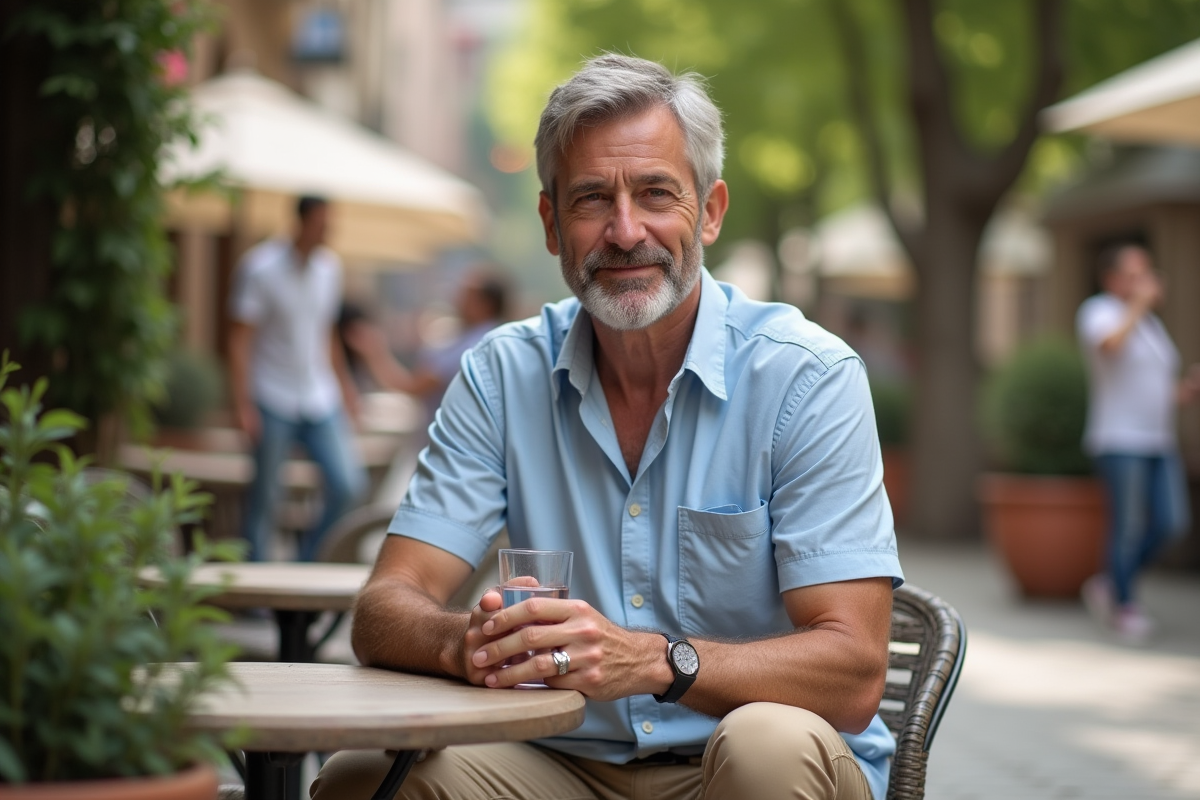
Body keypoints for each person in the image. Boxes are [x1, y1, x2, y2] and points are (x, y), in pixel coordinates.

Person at [312, 54, 901, 800]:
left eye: (656, 193)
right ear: (551, 224)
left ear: (710, 211)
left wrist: (653, 661)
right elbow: (383, 607)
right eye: (592, 199)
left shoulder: (806, 378)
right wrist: (466, 643)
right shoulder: (502, 374)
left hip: (741, 760)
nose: (625, 231)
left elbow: (854, 671)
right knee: (363, 780)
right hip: (557, 761)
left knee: (765, 745)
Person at [227, 195, 367, 562]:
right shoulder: (260, 267)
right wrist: (242, 404)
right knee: (266, 498)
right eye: (321, 224)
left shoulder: (329, 269)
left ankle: (306, 563)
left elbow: (327, 335)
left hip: (319, 395)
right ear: (301, 222)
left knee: (349, 485)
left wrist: (347, 388)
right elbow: (239, 339)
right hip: (271, 394)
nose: (327, 232)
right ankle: (256, 579)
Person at [1077, 244, 1199, 642]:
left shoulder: (1150, 326)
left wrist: (1185, 391)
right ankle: (1124, 604)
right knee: (1127, 526)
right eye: (1134, 275)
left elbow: (1155, 387)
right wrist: (1139, 305)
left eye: (1146, 273)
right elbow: (1110, 347)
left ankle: (1112, 581)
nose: (1144, 281)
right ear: (1111, 278)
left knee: (1172, 522)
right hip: (1119, 438)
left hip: (1159, 441)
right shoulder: (1099, 311)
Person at [342, 269, 510, 416]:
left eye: (467, 295)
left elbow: (413, 388)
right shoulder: (485, 338)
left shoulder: (476, 345)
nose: (458, 300)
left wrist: (375, 351)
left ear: (486, 305)